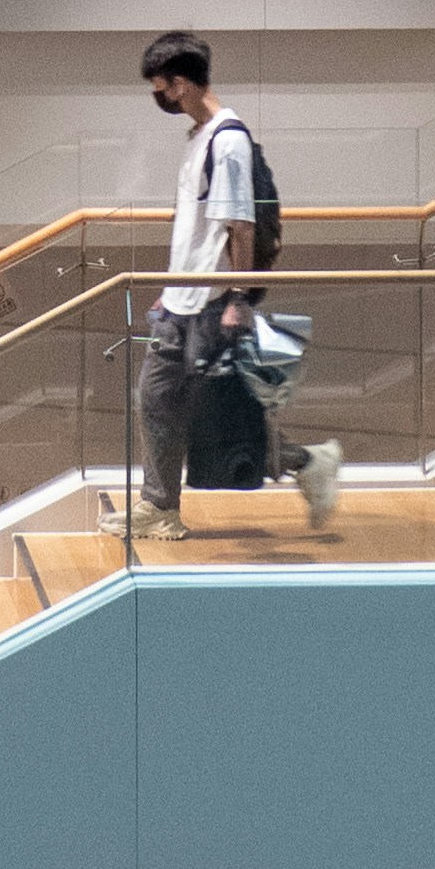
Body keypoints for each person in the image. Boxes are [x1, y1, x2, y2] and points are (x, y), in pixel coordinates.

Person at [133, 32, 341, 534]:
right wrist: (171, 284)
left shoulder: (227, 142)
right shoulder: (199, 138)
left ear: (181, 85)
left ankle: (306, 462)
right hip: (182, 299)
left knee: (219, 421)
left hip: (211, 300)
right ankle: (158, 506)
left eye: (161, 87)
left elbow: (239, 225)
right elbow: (197, 224)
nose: (159, 97)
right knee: (155, 398)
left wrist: (240, 297)